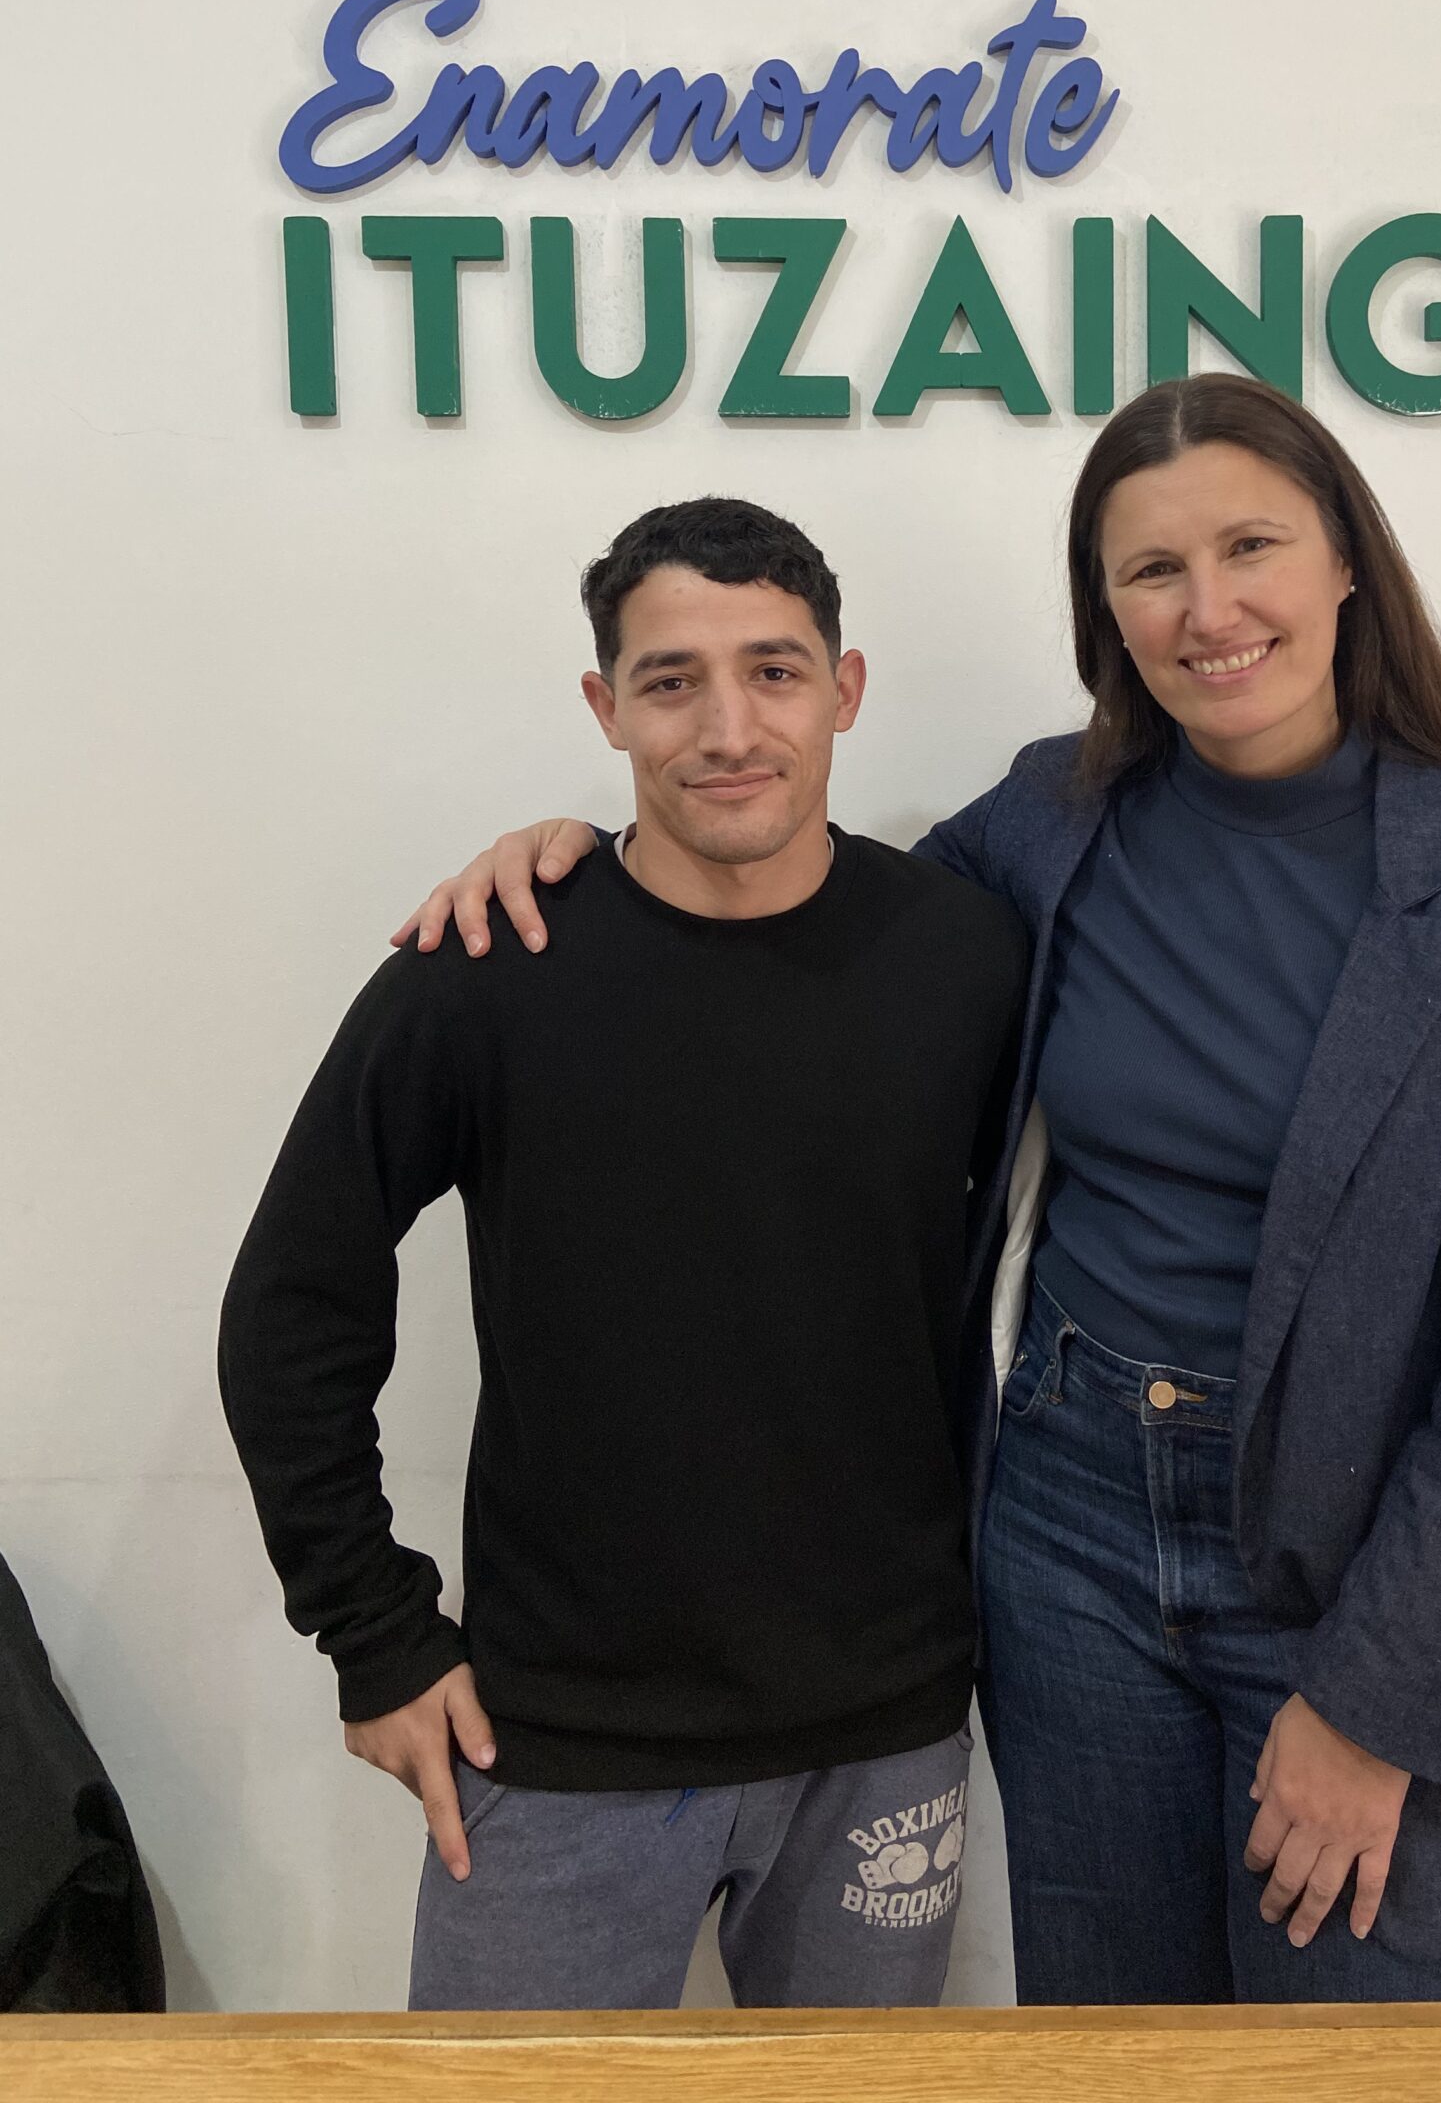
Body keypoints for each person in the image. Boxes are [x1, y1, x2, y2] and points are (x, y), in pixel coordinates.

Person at [400, 373, 1441, 2006]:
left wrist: (1377, 1704)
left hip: (1352, 1556)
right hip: (1068, 1529)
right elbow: (799, 914)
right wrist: (581, 855)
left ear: (1348, 560)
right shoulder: (1054, 824)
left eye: (1251, 547)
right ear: (1105, 611)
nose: (1209, 612)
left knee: (1359, 2050)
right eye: (1152, 571)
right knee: (1108, 2044)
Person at [219, 499, 1027, 2011]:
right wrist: (373, 1636)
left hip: (886, 1731)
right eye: (671, 681)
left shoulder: (966, 958)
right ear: (605, 707)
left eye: (775, 671)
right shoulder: (488, 968)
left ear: (846, 690)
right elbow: (292, 1305)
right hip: (561, 1741)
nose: (729, 728)